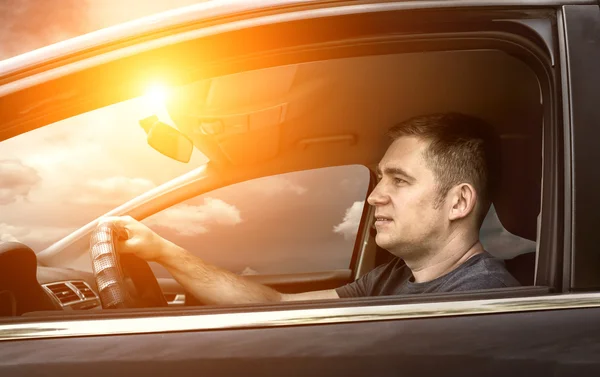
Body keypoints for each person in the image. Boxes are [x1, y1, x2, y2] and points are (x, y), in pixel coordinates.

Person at [101, 112, 519, 305]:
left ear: (459, 201)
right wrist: (163, 251)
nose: (374, 197)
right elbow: (275, 305)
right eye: (379, 178)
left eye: (399, 180)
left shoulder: (480, 303)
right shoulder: (393, 278)